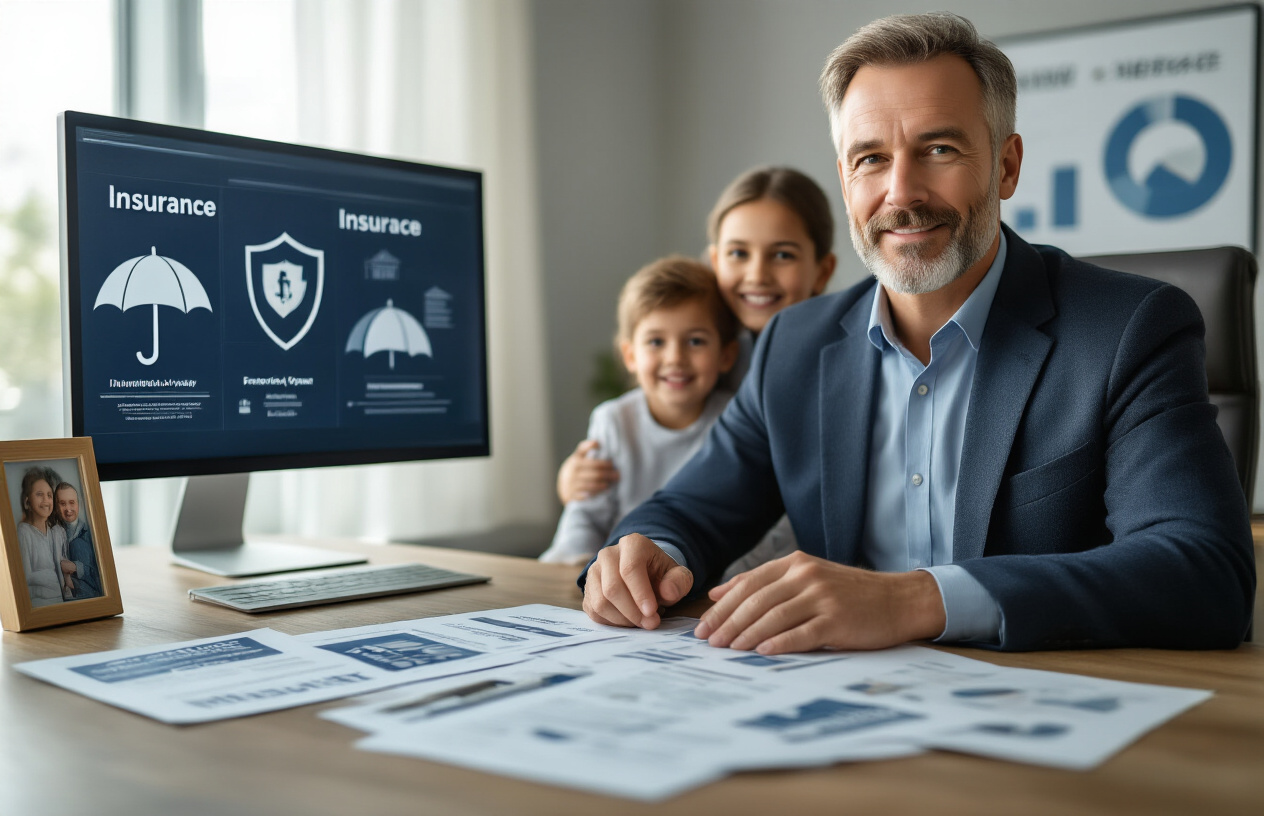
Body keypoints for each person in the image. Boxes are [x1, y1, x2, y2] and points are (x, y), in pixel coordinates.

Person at [579, 12, 1255, 653]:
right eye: (870, 158)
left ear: (1007, 165)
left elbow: (1203, 572)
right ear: (845, 180)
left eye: (938, 148)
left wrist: (913, 601)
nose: (901, 193)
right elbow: (688, 509)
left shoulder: (1128, 329)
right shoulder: (794, 344)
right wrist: (649, 550)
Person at [556, 167, 838, 505]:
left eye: (782, 255)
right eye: (738, 254)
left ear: (822, 271)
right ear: (715, 260)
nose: (757, 275)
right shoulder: (700, 343)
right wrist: (572, 480)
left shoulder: (835, 368)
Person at [539, 256, 741, 565]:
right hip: (621, 576)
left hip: (701, 574)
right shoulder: (614, 421)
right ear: (630, 355)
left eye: (695, 341)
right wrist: (571, 563)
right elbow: (586, 515)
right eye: (656, 341)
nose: (675, 358)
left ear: (726, 355)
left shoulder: (735, 420)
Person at [16, 468, 69, 608]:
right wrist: (52, 578)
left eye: (49, 495)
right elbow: (25, 576)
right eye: (39, 494)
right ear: (27, 502)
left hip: (60, 602)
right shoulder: (23, 532)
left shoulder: (57, 533)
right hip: (38, 604)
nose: (46, 500)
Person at [55, 482, 102, 601]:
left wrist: (76, 567)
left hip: (89, 597)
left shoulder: (90, 534)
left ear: (78, 504)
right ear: (56, 507)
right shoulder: (54, 533)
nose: (68, 509)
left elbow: (98, 575)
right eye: (62, 504)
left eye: (72, 503)